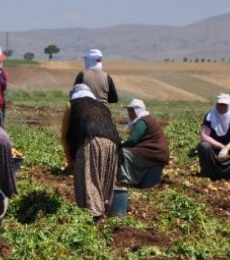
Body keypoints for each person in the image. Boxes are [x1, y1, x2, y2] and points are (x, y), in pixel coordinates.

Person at [61, 83, 121, 219]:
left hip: (90, 141)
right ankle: (103, 212)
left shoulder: (71, 105)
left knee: (88, 181)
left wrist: (70, 160)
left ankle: (93, 218)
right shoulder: (102, 107)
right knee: (103, 180)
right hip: (112, 143)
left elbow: (64, 136)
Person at [117, 99, 170, 188]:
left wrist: (119, 146)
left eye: (131, 110)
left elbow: (133, 141)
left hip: (153, 152)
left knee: (122, 153)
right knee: (129, 153)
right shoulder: (148, 120)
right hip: (157, 153)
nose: (129, 113)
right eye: (128, 110)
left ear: (137, 111)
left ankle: (124, 181)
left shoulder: (142, 122)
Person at [196, 93, 230, 181]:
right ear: (216, 104)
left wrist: (227, 148)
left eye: (225, 105)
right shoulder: (209, 116)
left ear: (229, 105)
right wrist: (220, 146)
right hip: (213, 150)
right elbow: (205, 136)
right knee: (204, 146)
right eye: (220, 104)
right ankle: (207, 174)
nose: (222, 107)